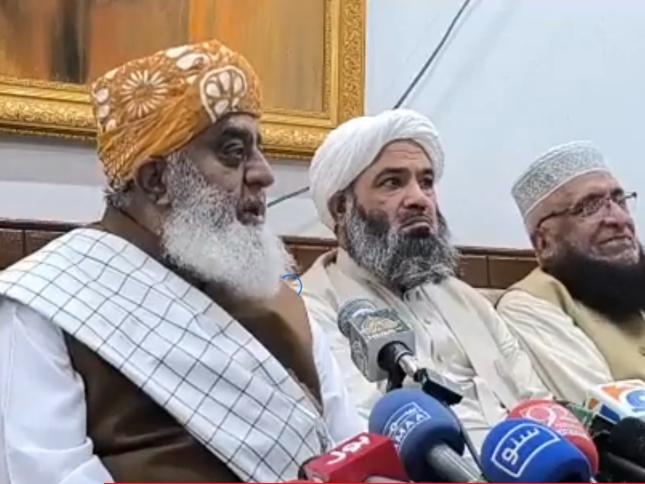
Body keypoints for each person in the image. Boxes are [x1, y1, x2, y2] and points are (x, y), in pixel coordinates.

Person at [0, 39, 360, 483]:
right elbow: (43, 471)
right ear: (156, 180)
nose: (265, 173)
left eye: (259, 149)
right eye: (234, 151)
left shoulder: (282, 302)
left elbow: (348, 447)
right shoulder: (48, 302)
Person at [301, 108, 549, 449]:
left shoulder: (464, 298)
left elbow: (536, 399)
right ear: (341, 208)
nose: (419, 199)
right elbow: (363, 434)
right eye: (392, 182)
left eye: (427, 182)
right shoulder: (314, 309)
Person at [497, 140, 645, 403]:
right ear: (544, 242)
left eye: (619, 200)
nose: (620, 219)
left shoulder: (632, 282)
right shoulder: (529, 305)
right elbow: (607, 412)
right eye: (590, 206)